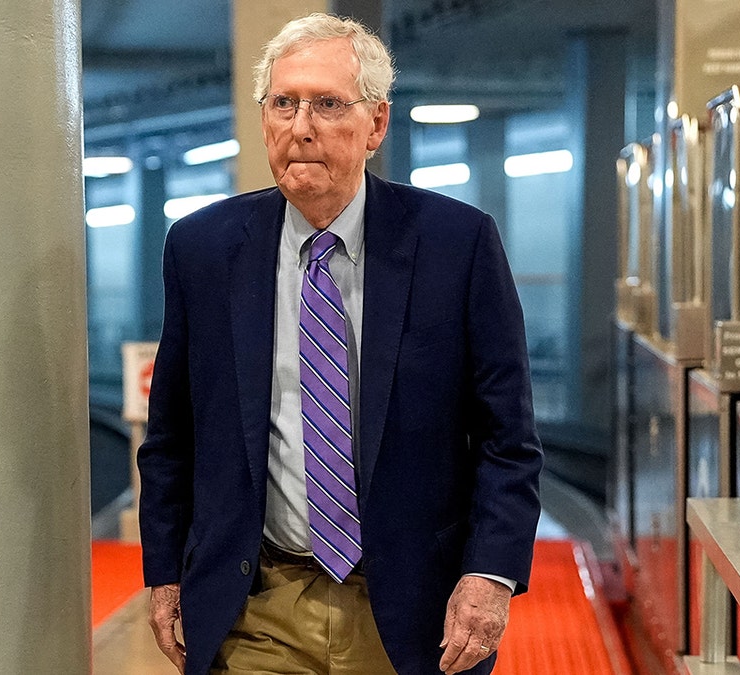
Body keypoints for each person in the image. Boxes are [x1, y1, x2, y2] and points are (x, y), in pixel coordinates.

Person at [137, 13, 542, 675]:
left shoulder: (456, 245)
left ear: (376, 124)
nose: (301, 127)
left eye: (327, 104)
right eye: (284, 103)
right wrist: (164, 570)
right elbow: (172, 433)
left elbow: (508, 437)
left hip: (413, 609)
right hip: (256, 603)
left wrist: (490, 573)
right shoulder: (203, 249)